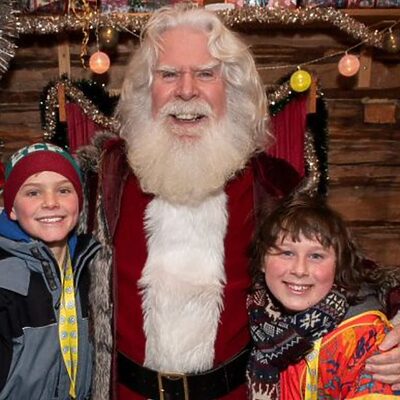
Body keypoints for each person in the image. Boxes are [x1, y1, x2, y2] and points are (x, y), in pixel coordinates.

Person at [80, 5, 400, 400]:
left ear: (229, 89)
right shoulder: (102, 178)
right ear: (148, 91)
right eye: (168, 75)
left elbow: (348, 269)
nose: (185, 90)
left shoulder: (274, 185)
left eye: (205, 74)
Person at [247, 194, 400, 399]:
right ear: (262, 261)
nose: (300, 270)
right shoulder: (260, 317)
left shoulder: (364, 336)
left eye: (316, 256)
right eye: (287, 253)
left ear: (338, 266)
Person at [0, 143, 101, 400]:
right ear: (11, 208)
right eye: (33, 193)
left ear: (79, 203)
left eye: (64, 190)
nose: (51, 202)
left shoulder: (94, 266)